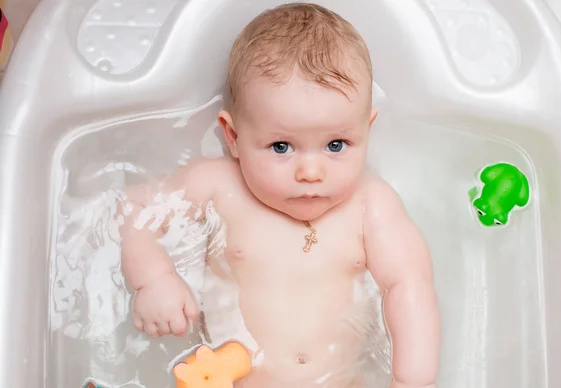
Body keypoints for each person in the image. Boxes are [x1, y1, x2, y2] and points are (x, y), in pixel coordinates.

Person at [119, 3, 440, 387]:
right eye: (282, 147)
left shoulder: (372, 204)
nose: (310, 172)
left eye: (336, 144)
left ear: (366, 130)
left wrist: (411, 381)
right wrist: (154, 279)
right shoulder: (220, 187)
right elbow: (132, 209)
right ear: (234, 136)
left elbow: (410, 286)